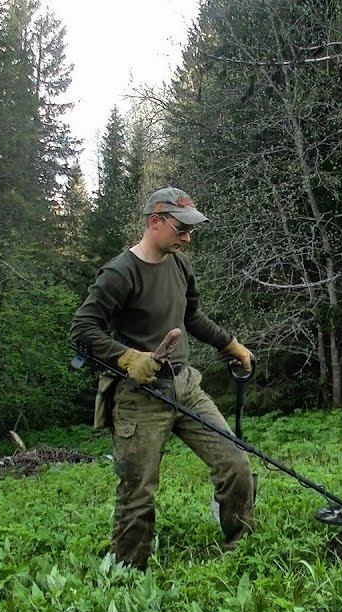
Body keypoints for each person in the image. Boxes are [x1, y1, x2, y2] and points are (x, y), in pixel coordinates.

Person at [70, 187, 256, 571]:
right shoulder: (120, 273)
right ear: (155, 223)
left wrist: (231, 345)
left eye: (191, 230)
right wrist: (126, 357)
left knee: (235, 463)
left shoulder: (180, 266)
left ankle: (242, 548)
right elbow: (82, 328)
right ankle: (127, 571)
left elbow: (192, 319)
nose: (187, 238)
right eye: (181, 229)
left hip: (185, 386)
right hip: (139, 396)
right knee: (137, 493)